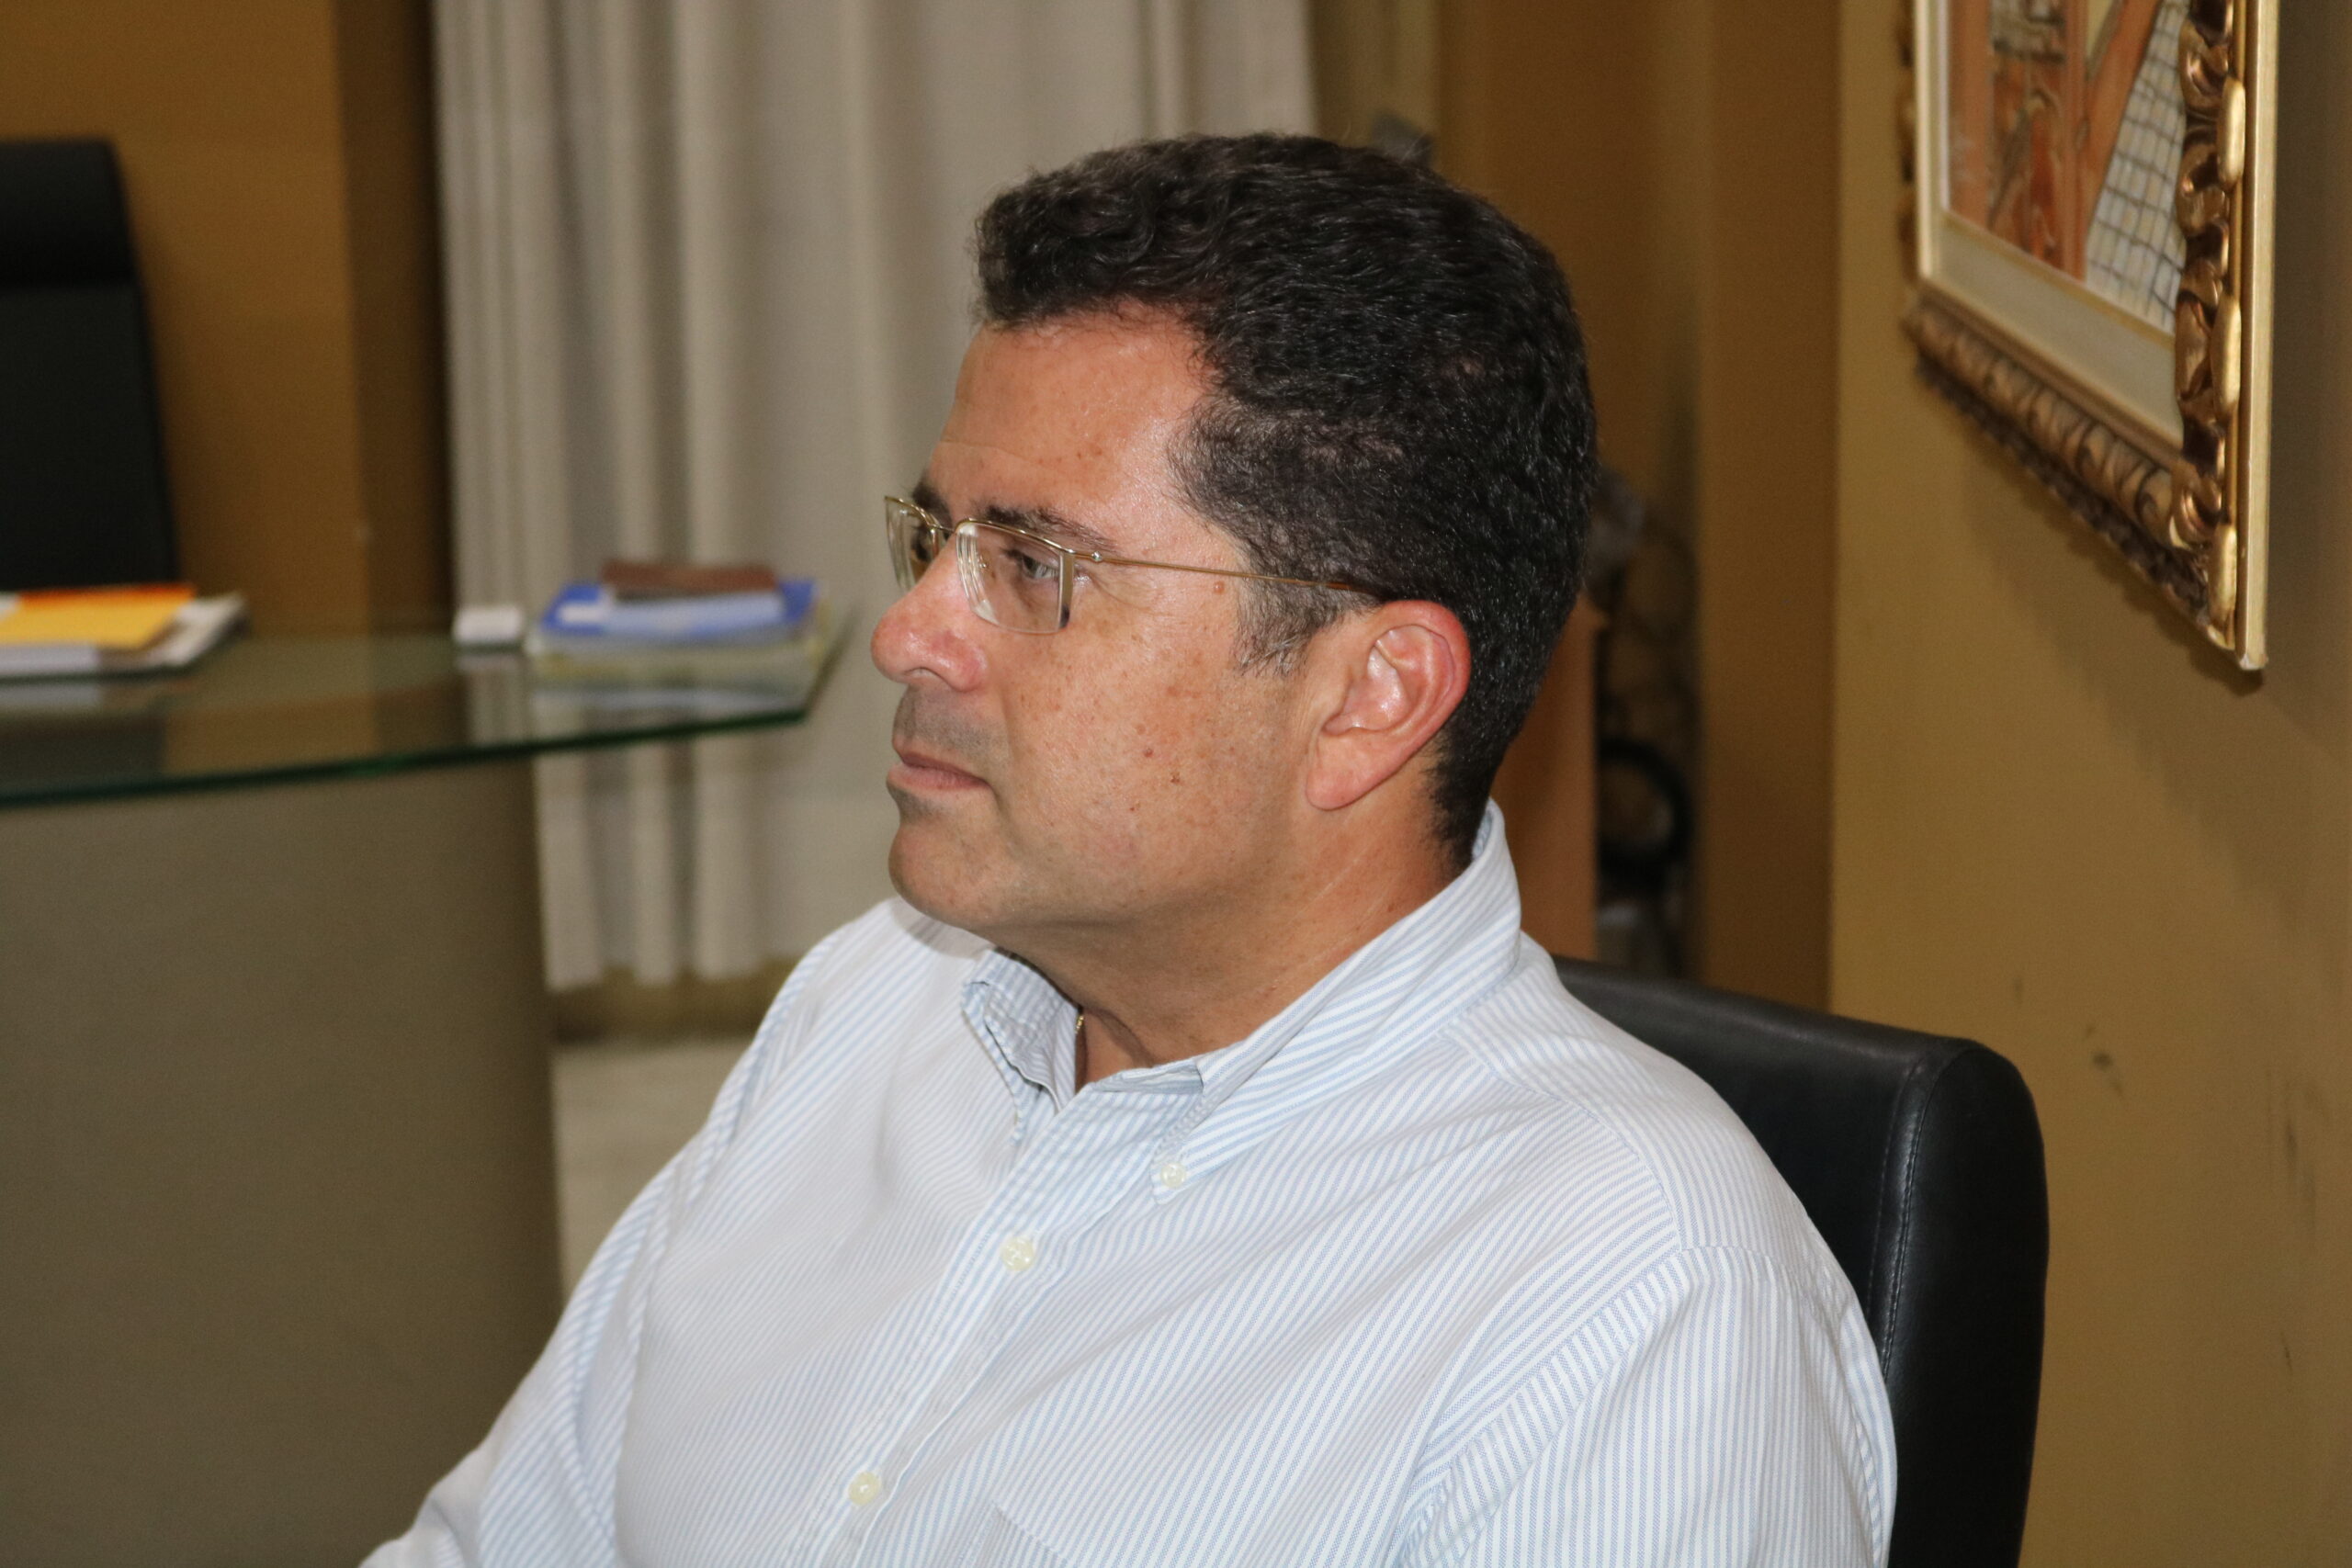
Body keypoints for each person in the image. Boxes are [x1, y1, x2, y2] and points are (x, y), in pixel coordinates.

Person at [368, 134, 1894, 1568]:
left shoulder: (1633, 1308)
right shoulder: (874, 1002)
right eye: (938, 537)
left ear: (1369, 696)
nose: (910, 633)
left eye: (1038, 567)